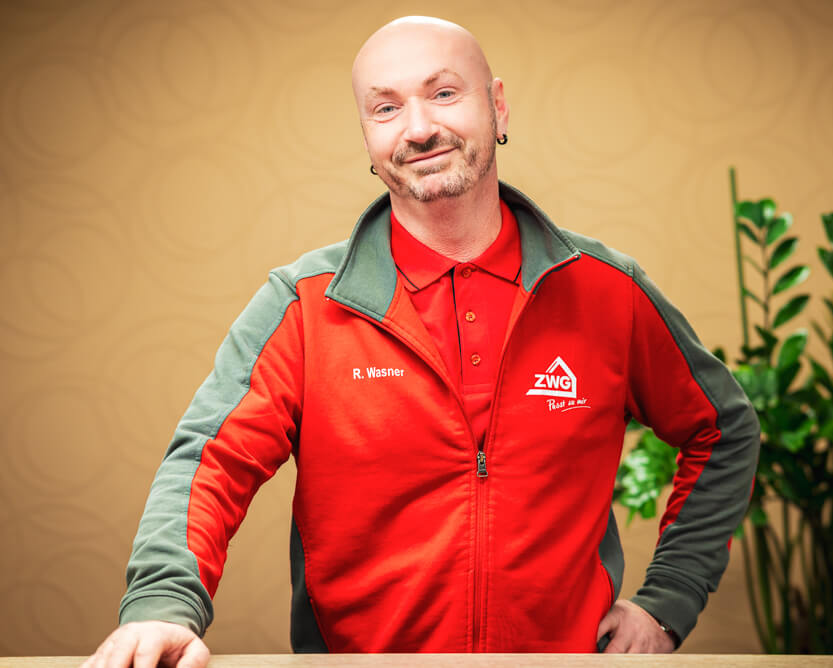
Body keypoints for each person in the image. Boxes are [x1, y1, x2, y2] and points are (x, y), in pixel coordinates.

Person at [83, 16, 759, 667]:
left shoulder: (606, 289)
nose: (418, 128)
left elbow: (723, 429)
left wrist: (667, 602)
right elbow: (210, 462)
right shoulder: (303, 305)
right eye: (385, 108)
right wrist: (163, 605)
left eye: (443, 93)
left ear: (497, 107)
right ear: (367, 138)